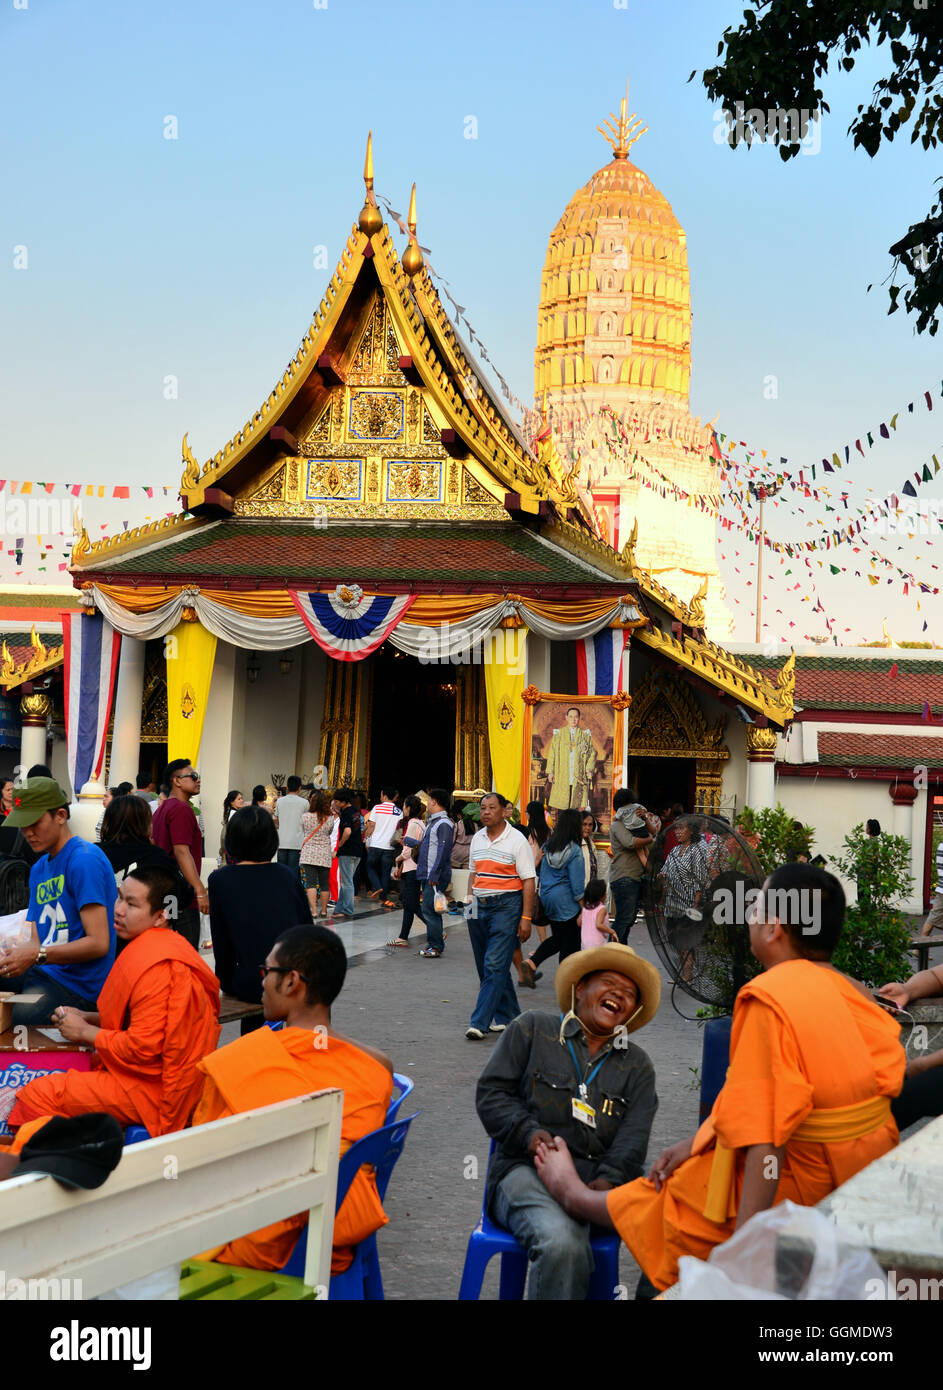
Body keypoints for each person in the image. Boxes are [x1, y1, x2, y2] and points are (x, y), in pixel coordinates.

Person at [533, 864, 905, 1294]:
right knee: (677, 1177)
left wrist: (747, 1254)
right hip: (859, 1175)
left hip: (796, 1186)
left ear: (775, 928)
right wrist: (694, 1142)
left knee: (668, 1210)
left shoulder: (769, 999)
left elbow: (768, 1137)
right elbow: (851, 1083)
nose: (748, 915)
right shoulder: (852, 990)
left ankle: (575, 1196)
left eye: (756, 907)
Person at [192, 924, 394, 1276]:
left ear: (291, 982)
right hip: (335, 1232)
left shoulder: (242, 1060)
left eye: (266, 971)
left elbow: (203, 1160)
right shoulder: (375, 1067)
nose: (261, 982)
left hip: (259, 1242)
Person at [475, 943, 660, 1299]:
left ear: (632, 1013)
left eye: (628, 995)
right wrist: (532, 1136)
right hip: (526, 1170)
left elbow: (633, 1141)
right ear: (580, 989)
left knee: (685, 1227)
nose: (618, 996)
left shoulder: (637, 1066)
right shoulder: (531, 1029)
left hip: (601, 1184)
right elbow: (491, 1094)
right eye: (609, 984)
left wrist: (603, 1187)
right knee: (563, 1244)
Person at [8, 864, 220, 1137]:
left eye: (131, 904)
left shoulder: (162, 967)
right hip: (142, 1073)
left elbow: (144, 1048)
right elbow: (141, 1023)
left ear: (159, 915)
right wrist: (91, 1018)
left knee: (37, 1094)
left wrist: (87, 1032)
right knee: (60, 1070)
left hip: (156, 1089)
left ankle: (57, 1171)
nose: (118, 909)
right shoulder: (152, 946)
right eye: (119, 898)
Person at [0, 777, 115, 1026]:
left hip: (79, 987)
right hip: (44, 972)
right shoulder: (39, 868)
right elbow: (36, 939)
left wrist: (36, 955)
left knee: (15, 1020)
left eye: (34, 823)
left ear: (61, 815)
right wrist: (16, 955)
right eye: (22, 825)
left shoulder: (84, 860)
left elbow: (99, 943)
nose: (27, 833)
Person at [207, 805, 312, 1007]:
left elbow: (222, 941)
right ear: (271, 839)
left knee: (255, 1027)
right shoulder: (287, 875)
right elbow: (306, 927)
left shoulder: (220, 880)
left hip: (251, 981)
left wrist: (226, 981)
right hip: (294, 978)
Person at [465, 792, 535, 1038]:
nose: (485, 812)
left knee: (494, 964)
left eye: (491, 807)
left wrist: (526, 919)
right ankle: (509, 1016)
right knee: (487, 966)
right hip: (478, 905)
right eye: (483, 807)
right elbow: (473, 874)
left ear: (505, 810)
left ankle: (479, 1022)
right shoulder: (478, 839)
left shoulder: (517, 840)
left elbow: (528, 881)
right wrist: (468, 904)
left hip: (507, 905)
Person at [97, 794, 184, 924]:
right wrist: (167, 922)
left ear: (108, 821)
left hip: (99, 930)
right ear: (145, 823)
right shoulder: (158, 857)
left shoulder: (94, 853)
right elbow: (178, 895)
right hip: (146, 935)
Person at [521, 809, 585, 983]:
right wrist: (585, 907)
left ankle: (532, 963)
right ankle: (567, 978)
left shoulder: (547, 846)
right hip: (567, 901)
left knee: (558, 938)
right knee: (571, 940)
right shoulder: (575, 851)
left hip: (548, 899)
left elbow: (540, 871)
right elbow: (577, 885)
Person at [151, 758, 206, 949]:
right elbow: (181, 851)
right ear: (177, 781)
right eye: (193, 776)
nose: (197, 780)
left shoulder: (161, 810)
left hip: (166, 892)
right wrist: (199, 890)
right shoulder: (181, 809)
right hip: (182, 893)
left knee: (169, 946)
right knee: (186, 950)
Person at [656, 816, 711, 976]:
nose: (678, 832)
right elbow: (665, 870)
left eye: (682, 828)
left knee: (686, 941)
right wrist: (662, 876)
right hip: (672, 902)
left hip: (688, 903)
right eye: (676, 828)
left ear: (691, 830)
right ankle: (682, 973)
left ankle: (687, 976)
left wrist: (696, 903)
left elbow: (701, 878)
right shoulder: (674, 850)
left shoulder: (697, 850)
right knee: (674, 939)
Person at [609, 791, 653, 944]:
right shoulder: (617, 825)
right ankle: (611, 953)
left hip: (634, 877)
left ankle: (620, 952)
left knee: (628, 920)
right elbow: (630, 843)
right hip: (624, 877)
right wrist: (649, 838)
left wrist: (645, 818)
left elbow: (654, 832)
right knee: (623, 919)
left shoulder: (637, 823)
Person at [416, 788, 454, 959]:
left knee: (430, 910)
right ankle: (434, 944)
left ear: (434, 802)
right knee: (431, 909)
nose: (427, 804)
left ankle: (436, 945)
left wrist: (435, 873)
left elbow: (444, 849)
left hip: (434, 875)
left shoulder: (443, 823)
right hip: (429, 873)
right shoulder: (433, 822)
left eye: (429, 800)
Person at [387, 795, 425, 949]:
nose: (403, 808)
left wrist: (398, 859)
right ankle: (403, 937)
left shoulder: (412, 824)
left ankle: (435, 929)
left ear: (409, 808)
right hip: (416, 867)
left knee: (411, 904)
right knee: (410, 905)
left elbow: (408, 850)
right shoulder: (421, 823)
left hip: (411, 868)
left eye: (404, 806)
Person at [544, 706, 596, 812]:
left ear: (579, 718)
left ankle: (574, 827)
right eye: (571, 717)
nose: (573, 719)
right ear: (566, 718)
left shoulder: (585, 735)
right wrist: (550, 772)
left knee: (576, 806)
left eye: (576, 717)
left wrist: (589, 768)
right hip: (562, 774)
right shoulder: (559, 734)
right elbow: (552, 753)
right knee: (563, 806)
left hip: (578, 775)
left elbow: (591, 753)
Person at [362, 786, 401, 904]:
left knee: (369, 866)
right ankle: (383, 898)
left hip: (376, 844)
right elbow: (399, 829)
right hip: (389, 846)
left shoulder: (377, 808)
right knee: (385, 872)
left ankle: (377, 886)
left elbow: (371, 826)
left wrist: (366, 838)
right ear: (394, 797)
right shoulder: (399, 811)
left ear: (384, 795)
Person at [299, 791, 335, 922]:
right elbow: (329, 832)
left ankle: (313, 911)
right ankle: (324, 910)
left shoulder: (305, 817)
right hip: (324, 854)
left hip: (309, 854)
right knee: (325, 884)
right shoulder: (330, 818)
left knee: (311, 884)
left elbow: (304, 831)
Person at [333, 788, 363, 920]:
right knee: (347, 881)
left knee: (346, 883)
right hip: (358, 851)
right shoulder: (356, 811)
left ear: (343, 802)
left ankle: (348, 910)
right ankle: (339, 909)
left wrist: (338, 846)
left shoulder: (345, 813)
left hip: (348, 851)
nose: (335, 803)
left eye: (337, 801)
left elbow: (347, 831)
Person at [273, 775, 307, 874]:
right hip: (297, 842)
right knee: (293, 873)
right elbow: (306, 822)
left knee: (281, 872)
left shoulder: (279, 801)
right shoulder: (305, 803)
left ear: (287, 787)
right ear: (300, 788)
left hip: (282, 841)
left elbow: (277, 820)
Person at [581, 878, 617, 947]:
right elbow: (599, 925)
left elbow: (579, 922)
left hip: (585, 944)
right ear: (602, 896)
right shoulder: (601, 909)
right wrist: (612, 931)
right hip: (597, 944)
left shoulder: (585, 908)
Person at [450, 803, 473, 871]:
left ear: (459, 816)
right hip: (468, 855)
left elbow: (452, 841)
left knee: (455, 876)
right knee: (465, 877)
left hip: (456, 855)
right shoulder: (475, 825)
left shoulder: (457, 825)